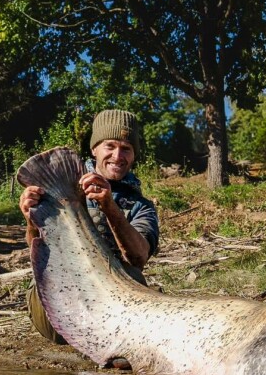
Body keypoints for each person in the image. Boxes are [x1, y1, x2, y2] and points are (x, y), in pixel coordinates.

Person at [19, 109, 160, 344]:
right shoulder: (61, 189)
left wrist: (109, 207)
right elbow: (36, 245)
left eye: (126, 148)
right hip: (61, 299)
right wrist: (30, 219)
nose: (117, 155)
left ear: (134, 155)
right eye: (110, 146)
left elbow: (138, 258)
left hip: (115, 302)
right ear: (94, 149)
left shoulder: (142, 206)